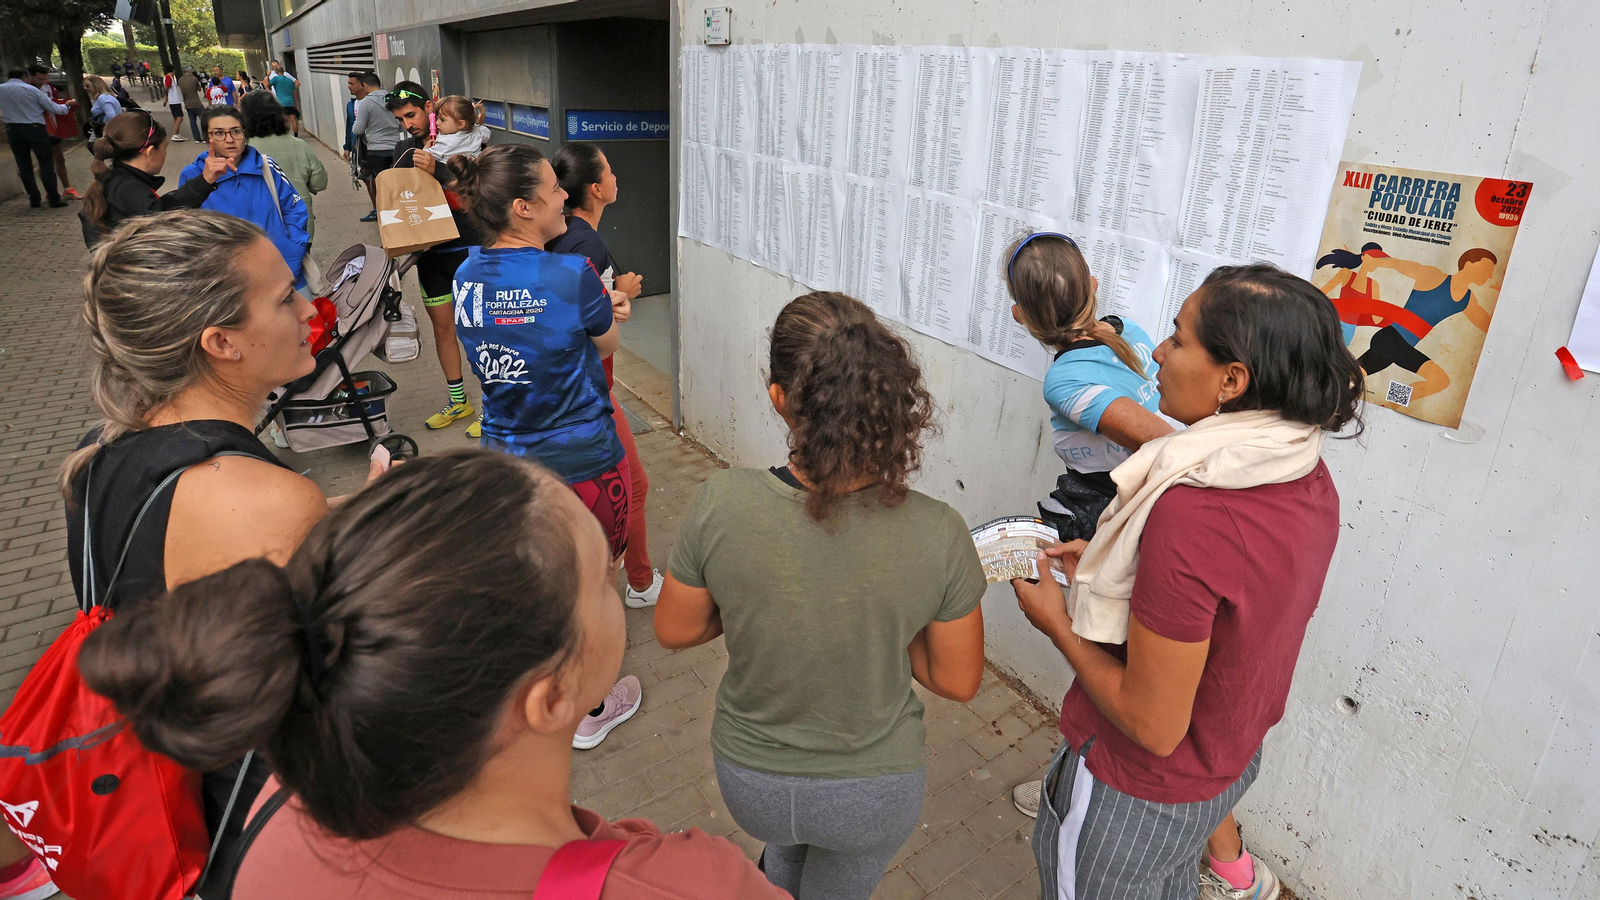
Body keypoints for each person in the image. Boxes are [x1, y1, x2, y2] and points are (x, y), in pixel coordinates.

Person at [76, 450, 786, 900]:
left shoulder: (284, 810)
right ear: (550, 698)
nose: (615, 583)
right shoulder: (694, 886)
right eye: (602, 576)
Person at [1013, 264, 1360, 900]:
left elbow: (1153, 725)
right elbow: (1232, 600)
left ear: (1232, 380)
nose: (1159, 354)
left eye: (1178, 337)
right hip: (1228, 756)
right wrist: (1124, 572)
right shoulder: (1302, 470)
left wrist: (1056, 622)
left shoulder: (1192, 508)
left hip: (1135, 794)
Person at [652, 291, 986, 900]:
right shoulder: (940, 531)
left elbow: (675, 629)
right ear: (889, 401)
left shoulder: (719, 503)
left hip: (751, 783)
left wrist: (749, 600)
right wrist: (889, 621)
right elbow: (957, 680)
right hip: (872, 793)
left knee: (783, 855)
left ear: (778, 397)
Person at [61, 210, 337, 898]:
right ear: (221, 342)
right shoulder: (267, 500)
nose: (309, 309)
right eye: (285, 297)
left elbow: (176, 561)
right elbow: (337, 689)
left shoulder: (99, 457)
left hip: (157, 803)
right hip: (259, 828)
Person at [446, 144, 646, 752]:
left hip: (508, 464)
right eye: (553, 188)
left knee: (538, 579)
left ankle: (534, 685)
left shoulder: (465, 275)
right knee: (592, 583)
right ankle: (591, 706)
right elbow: (604, 345)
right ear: (523, 207)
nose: (564, 196)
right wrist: (612, 308)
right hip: (585, 460)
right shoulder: (571, 274)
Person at [547, 142, 657, 606]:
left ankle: (628, 578)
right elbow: (590, 326)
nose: (616, 177)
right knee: (632, 488)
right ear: (595, 188)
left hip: (577, 388)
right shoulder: (586, 242)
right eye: (609, 170)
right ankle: (636, 584)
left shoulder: (562, 236)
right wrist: (622, 291)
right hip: (590, 389)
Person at [384, 83, 485, 433]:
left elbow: (478, 195)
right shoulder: (406, 148)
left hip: (469, 250)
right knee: (443, 329)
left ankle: (494, 407)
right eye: (400, 120)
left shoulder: (473, 142)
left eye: (411, 115)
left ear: (429, 108)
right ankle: (459, 402)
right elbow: (399, 198)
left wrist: (439, 170)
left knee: (481, 332)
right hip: (429, 256)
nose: (407, 124)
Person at [182, 106, 311, 290]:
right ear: (207, 137)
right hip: (232, 286)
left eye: (236, 131)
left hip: (286, 275)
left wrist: (292, 253)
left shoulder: (266, 167)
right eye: (219, 133)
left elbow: (294, 209)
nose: (229, 140)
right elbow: (188, 233)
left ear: (245, 133)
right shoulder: (193, 175)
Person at [1357, 248, 1500, 402]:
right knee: (1439, 380)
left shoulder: (1468, 299)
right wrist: (1375, 262)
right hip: (1392, 339)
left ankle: (1389, 401)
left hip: (1398, 346)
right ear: (1469, 264)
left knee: (1353, 374)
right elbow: (1398, 264)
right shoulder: (1435, 276)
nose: (1490, 275)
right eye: (1486, 269)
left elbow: (1486, 325)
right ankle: (1390, 402)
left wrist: (1501, 298)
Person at [79, 110, 230, 245]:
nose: (165, 153)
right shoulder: (128, 188)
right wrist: (204, 180)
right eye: (165, 148)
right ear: (150, 152)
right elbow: (161, 217)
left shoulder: (115, 179)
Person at [242, 92, 327, 240]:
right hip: (299, 225)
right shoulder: (299, 145)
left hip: (258, 229)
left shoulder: (243, 150)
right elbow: (319, 183)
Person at [1, 66, 73, 208]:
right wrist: (67, 106)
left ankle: (34, 198)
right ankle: (53, 198)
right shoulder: (31, 90)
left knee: (24, 164)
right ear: (25, 76)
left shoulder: (1, 89)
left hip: (13, 129)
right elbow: (54, 108)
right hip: (35, 128)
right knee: (46, 163)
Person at [350, 71, 401, 221]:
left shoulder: (366, 103)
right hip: (396, 147)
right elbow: (400, 123)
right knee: (397, 183)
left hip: (377, 150)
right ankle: (400, 211)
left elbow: (358, 129)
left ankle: (387, 216)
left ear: (365, 85)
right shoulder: (392, 99)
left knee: (381, 185)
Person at [34, 68, 82, 200]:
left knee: (59, 158)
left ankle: (67, 189)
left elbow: (53, 102)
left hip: (53, 126)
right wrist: (64, 106)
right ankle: (50, 190)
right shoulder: (30, 90)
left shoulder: (48, 86)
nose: (43, 81)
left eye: (45, 78)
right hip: (39, 127)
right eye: (40, 79)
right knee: (44, 161)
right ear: (31, 77)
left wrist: (64, 104)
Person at [426, 94, 490, 162]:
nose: (437, 123)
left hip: (450, 168)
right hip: (475, 166)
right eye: (437, 118)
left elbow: (427, 157)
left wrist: (426, 148)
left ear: (460, 124)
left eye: (442, 120)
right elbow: (487, 135)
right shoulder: (477, 132)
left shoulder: (445, 142)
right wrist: (474, 126)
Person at [267, 60, 300, 136]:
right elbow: (294, 92)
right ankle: (296, 135)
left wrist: (269, 91)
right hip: (290, 102)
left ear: (276, 72)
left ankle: (286, 135)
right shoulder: (290, 80)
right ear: (283, 71)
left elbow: (266, 84)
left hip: (281, 103)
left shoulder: (275, 79)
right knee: (293, 119)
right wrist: (295, 102)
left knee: (285, 120)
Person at [85, 75, 123, 139]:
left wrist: (101, 123)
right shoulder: (102, 97)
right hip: (109, 129)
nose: (85, 88)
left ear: (96, 85)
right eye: (84, 86)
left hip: (109, 131)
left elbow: (111, 116)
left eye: (87, 86)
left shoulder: (103, 98)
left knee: (93, 144)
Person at [178, 66, 204, 140]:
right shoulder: (194, 79)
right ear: (190, 71)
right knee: (203, 119)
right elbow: (199, 89)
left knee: (192, 122)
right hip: (196, 102)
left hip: (187, 103)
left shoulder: (180, 80)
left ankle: (197, 138)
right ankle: (205, 137)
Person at [161, 64, 187, 142]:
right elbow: (167, 88)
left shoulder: (170, 78)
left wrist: (166, 99)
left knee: (176, 118)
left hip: (173, 100)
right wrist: (166, 98)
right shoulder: (168, 77)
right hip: (174, 100)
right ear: (173, 70)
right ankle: (175, 134)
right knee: (180, 117)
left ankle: (177, 134)